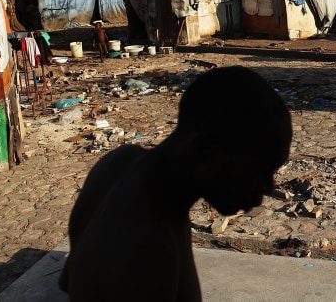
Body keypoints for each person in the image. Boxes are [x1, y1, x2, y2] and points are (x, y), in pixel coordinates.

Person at [59, 66, 293, 301]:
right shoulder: (148, 255)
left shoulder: (119, 162)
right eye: (259, 170)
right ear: (203, 151)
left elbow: (68, 279)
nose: (269, 186)